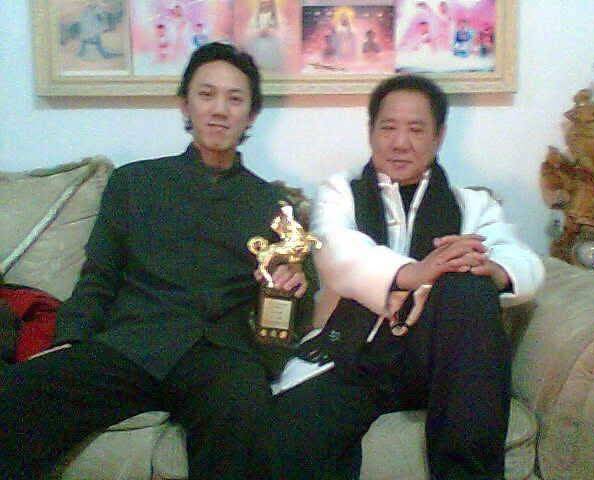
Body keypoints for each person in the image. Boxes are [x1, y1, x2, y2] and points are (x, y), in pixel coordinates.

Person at [0, 42, 312, 480]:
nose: (219, 110)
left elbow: (288, 315)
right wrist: (69, 339)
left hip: (219, 355)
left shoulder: (274, 206)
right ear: (185, 104)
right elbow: (98, 277)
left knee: (245, 410)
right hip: (132, 345)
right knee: (18, 395)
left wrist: (293, 288)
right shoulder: (134, 183)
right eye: (206, 94)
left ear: (251, 114)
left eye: (235, 99)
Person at [275, 74, 545, 480]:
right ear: (371, 132)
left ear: (438, 137)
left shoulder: (470, 204)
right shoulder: (341, 193)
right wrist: (415, 272)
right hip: (352, 354)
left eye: (416, 129)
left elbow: (525, 262)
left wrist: (492, 270)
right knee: (296, 428)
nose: (401, 143)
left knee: (469, 282)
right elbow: (335, 251)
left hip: (435, 362)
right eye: (389, 127)